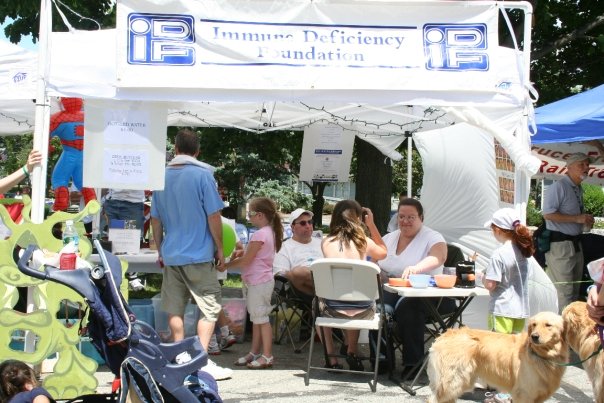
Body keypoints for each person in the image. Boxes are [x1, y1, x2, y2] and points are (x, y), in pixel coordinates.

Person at [150, 128, 232, 380]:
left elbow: (155, 219)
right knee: (209, 307)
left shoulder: (160, 176)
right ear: (197, 151)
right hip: (199, 254)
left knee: (174, 307)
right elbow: (214, 216)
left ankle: (180, 354)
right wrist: (220, 248)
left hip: (172, 254)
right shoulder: (203, 175)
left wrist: (160, 248)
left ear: (175, 149)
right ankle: (201, 360)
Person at [377, 197, 451, 379]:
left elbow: (439, 256)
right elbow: (373, 258)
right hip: (392, 291)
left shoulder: (432, 237)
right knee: (378, 308)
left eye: (411, 217)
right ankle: (382, 359)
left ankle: (413, 363)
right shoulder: (389, 238)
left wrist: (417, 268)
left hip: (427, 295)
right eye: (401, 217)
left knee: (409, 308)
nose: (405, 221)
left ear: (421, 218)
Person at [320, 199, 387, 370]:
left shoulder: (326, 242)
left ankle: (331, 357)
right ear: (358, 218)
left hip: (332, 308)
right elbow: (383, 252)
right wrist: (371, 224)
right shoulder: (364, 242)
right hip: (362, 309)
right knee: (356, 295)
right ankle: (351, 350)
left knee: (318, 302)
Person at [225, 197, 283, 369]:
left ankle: (267, 355)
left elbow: (246, 260)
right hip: (259, 281)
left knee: (261, 319)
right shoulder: (269, 232)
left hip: (258, 282)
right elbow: (252, 256)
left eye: (250, 213)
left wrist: (225, 265)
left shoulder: (260, 234)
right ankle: (255, 352)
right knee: (257, 318)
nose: (248, 216)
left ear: (260, 215)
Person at [543, 152, 595, 312]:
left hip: (575, 244)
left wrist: (584, 221)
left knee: (574, 292)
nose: (586, 168)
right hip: (561, 246)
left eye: (587, 164)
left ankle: (569, 326)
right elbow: (547, 214)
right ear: (569, 167)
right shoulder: (559, 186)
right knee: (564, 292)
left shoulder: (577, 188)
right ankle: (560, 326)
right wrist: (577, 219)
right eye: (581, 164)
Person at [482, 208, 532, 334]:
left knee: (498, 346)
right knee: (514, 346)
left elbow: (490, 285)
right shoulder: (522, 251)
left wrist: (481, 277)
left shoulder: (499, 254)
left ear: (498, 230)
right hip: (521, 310)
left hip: (502, 309)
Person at [102, 188, 146, 291]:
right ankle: (114, 279)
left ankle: (132, 276)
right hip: (111, 200)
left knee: (129, 243)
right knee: (114, 244)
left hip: (133, 201)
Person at [273, 208, 323, 297]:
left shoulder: (322, 243)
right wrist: (298, 274)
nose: (308, 226)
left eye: (310, 222)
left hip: (326, 277)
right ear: (292, 227)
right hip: (303, 292)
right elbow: (279, 274)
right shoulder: (284, 248)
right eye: (303, 223)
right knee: (299, 272)